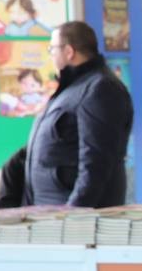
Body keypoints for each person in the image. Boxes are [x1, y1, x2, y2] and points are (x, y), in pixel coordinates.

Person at [22, 21, 133, 208]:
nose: (51, 55)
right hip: (53, 210)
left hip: (74, 218)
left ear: (68, 51)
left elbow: (95, 161)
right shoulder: (73, 88)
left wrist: (74, 214)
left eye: (52, 49)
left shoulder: (99, 89)